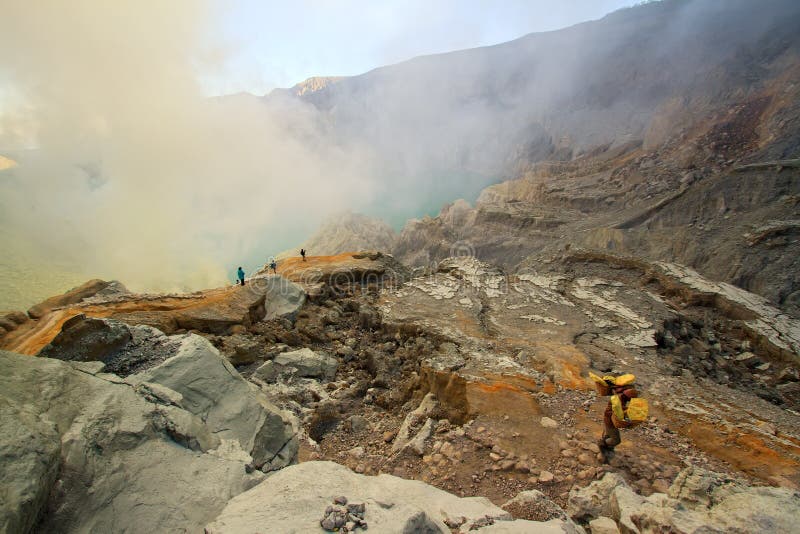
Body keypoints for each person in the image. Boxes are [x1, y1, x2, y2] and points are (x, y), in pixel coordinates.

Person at [591, 373, 639, 461]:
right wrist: (627, 417)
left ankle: (606, 448)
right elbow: (618, 412)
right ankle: (603, 444)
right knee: (616, 440)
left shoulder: (619, 395)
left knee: (608, 434)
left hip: (609, 417)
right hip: (610, 420)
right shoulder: (619, 399)